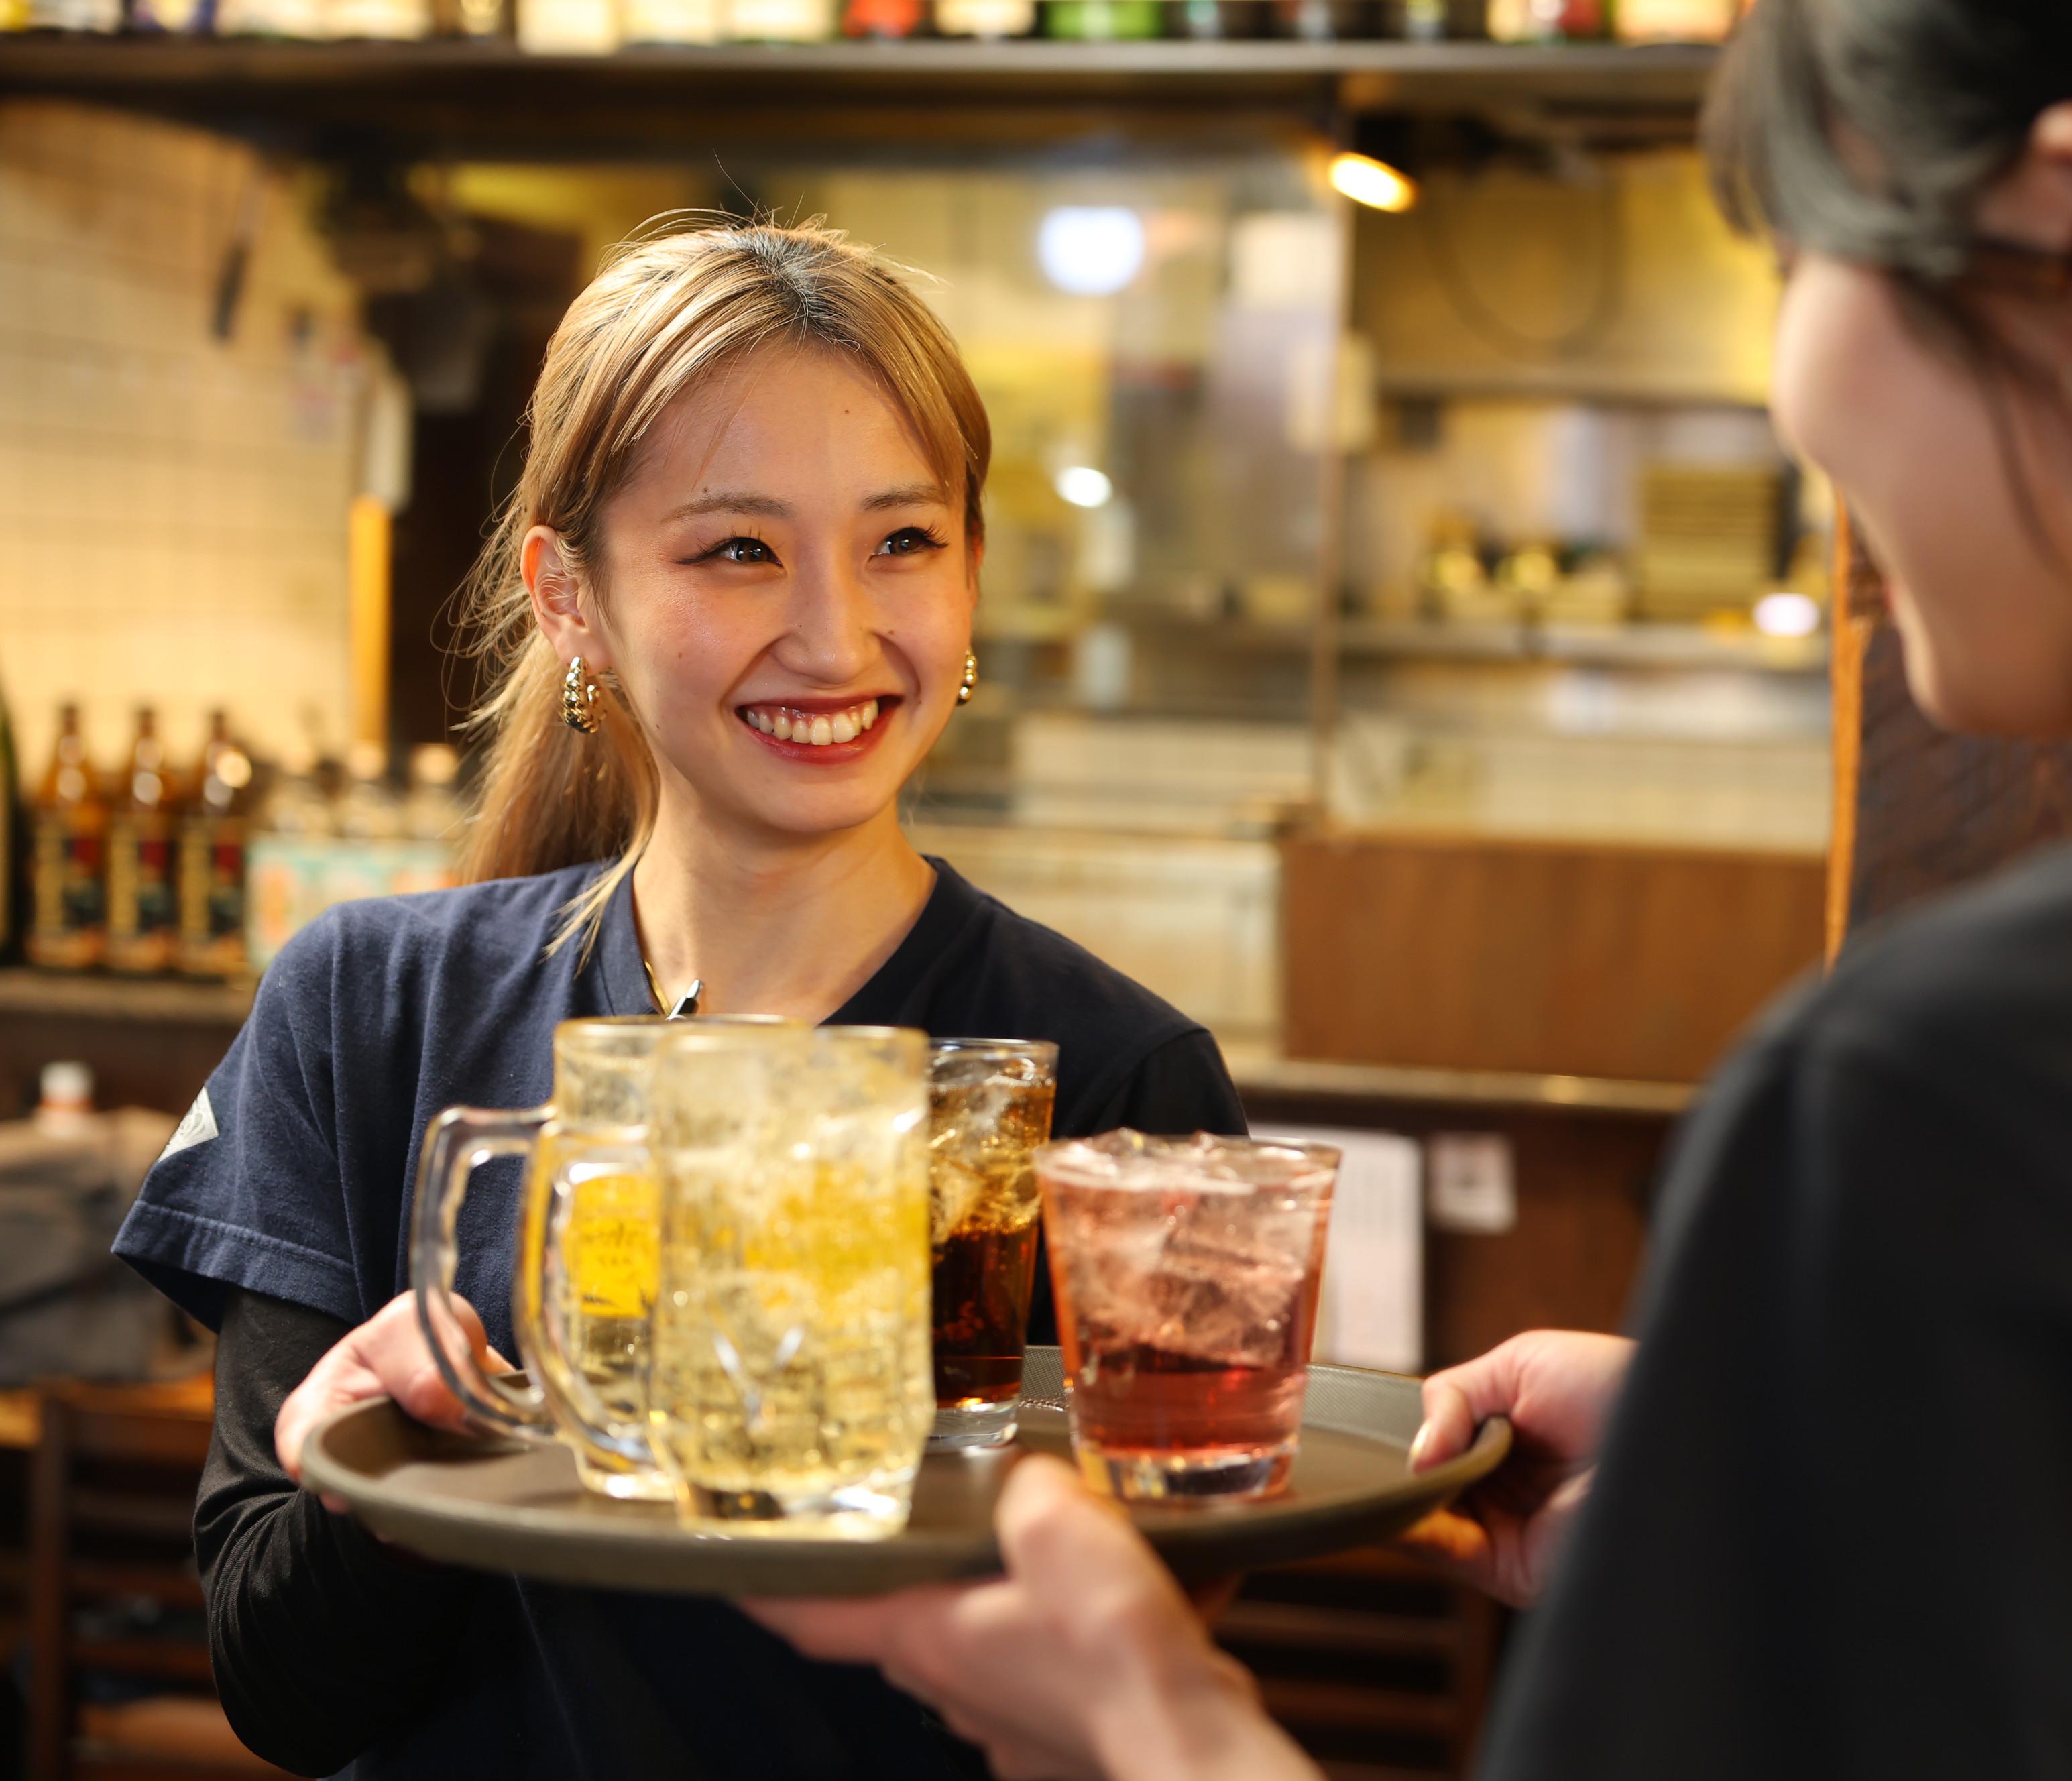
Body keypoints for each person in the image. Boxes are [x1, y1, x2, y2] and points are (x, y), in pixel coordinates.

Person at [748, 0, 2072, 1776]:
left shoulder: (1963, 1093)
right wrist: (1819, 1508)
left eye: (1804, 259)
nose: (1793, 396)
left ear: (2071, 235)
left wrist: (1147, 1722)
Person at [109, 221, 1245, 1780]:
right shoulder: (365, 1011)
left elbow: (1128, 1704)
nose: (839, 634)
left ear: (976, 567)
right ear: (569, 598)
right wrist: (402, 1466)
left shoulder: (1113, 1079)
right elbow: (284, 1692)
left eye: (903, 541)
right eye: (738, 549)